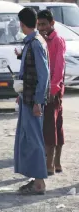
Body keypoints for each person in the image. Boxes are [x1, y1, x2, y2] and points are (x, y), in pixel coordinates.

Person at [14, 8, 50, 195]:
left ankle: (39, 183)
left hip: (33, 101)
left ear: (22, 23)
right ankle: (35, 178)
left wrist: (37, 101)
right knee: (27, 139)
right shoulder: (31, 42)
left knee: (34, 140)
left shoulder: (36, 43)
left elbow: (43, 76)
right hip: (26, 98)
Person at [37, 9, 66, 176]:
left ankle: (50, 165)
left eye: (44, 24)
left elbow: (59, 67)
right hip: (49, 89)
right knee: (56, 126)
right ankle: (56, 163)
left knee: (51, 128)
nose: (41, 27)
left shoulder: (57, 41)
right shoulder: (43, 40)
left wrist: (54, 89)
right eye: (39, 24)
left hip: (53, 91)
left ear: (52, 23)